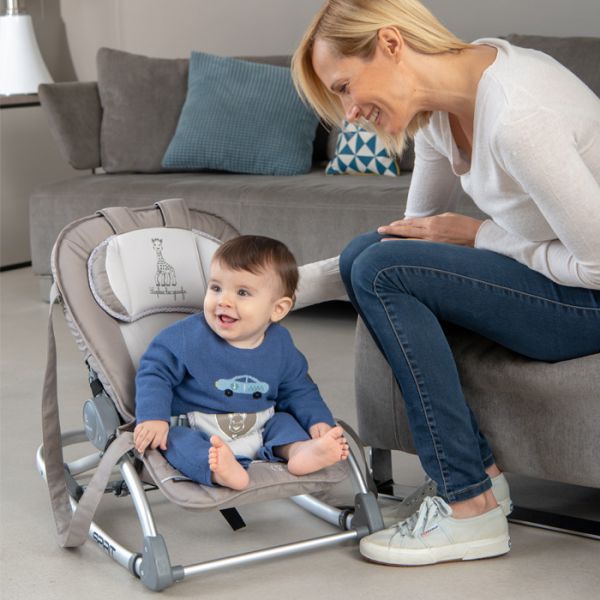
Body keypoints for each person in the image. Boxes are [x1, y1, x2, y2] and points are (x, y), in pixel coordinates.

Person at [292, 0, 600, 566]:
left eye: (344, 87)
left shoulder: (517, 116)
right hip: (560, 279)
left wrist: (481, 235)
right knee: (370, 255)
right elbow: (405, 241)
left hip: (593, 296)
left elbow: (598, 265)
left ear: (390, 44)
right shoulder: (442, 111)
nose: (349, 113)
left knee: (381, 267)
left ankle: (469, 506)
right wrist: (272, 291)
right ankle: (481, 480)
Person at [134, 235, 349, 491]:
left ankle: (299, 451)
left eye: (242, 293)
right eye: (216, 288)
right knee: (175, 440)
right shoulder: (184, 337)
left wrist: (318, 421)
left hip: (260, 424)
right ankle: (219, 469)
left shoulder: (280, 344)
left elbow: (299, 389)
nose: (224, 301)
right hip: (199, 426)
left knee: (283, 423)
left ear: (278, 309)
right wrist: (153, 416)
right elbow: (155, 374)